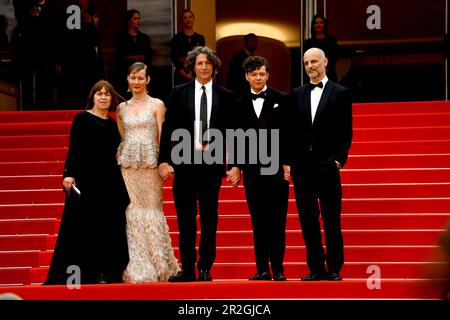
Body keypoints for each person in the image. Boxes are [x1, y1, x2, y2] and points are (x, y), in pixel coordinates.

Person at [158, 46, 240, 282]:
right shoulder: (178, 93)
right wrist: (164, 159)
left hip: (212, 166)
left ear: (214, 67)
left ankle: (205, 267)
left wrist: (235, 164)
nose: (203, 67)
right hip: (184, 163)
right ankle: (187, 269)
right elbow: (169, 128)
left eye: (208, 63)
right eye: (199, 63)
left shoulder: (226, 95)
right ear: (192, 67)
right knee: (185, 219)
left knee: (209, 218)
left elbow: (233, 132)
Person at [44, 80, 130, 285]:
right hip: (87, 180)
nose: (103, 97)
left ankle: (107, 272)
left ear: (111, 99)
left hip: (109, 181)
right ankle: (83, 273)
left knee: (109, 227)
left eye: (107, 94)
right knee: (85, 228)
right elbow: (75, 147)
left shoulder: (112, 123)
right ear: (92, 97)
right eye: (99, 94)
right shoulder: (82, 118)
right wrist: (69, 173)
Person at [286, 47, 352, 281]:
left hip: (327, 167)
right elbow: (291, 133)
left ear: (325, 61)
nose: (310, 66)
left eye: (314, 61)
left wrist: (337, 160)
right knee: (308, 220)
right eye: (306, 63)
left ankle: (334, 267)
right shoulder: (296, 94)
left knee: (331, 219)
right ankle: (315, 267)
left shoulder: (340, 93)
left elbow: (346, 132)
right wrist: (289, 164)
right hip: (303, 168)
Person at [117, 62, 180, 282]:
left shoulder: (157, 104)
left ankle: (161, 264)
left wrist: (165, 161)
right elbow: (122, 137)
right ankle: (138, 267)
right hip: (128, 166)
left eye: (140, 78)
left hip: (151, 164)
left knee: (152, 210)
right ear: (128, 80)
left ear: (148, 80)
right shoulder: (121, 108)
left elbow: (164, 134)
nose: (136, 82)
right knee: (131, 211)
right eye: (133, 78)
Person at [236, 56, 289, 281]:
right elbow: (235, 137)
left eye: (262, 73)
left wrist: (288, 162)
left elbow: (289, 134)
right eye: (254, 74)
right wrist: (236, 166)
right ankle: (262, 269)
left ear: (267, 75)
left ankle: (277, 269)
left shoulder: (282, 99)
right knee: (258, 220)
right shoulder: (238, 103)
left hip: (276, 168)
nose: (258, 77)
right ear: (247, 76)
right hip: (252, 170)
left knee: (278, 220)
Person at [59, 0, 104, 109]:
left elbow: (95, 39)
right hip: (76, 60)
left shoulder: (90, 12)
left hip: (90, 59)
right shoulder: (72, 11)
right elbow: (70, 38)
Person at [115, 9, 152, 97]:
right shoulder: (121, 38)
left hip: (142, 73)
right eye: (135, 18)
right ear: (129, 21)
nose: (138, 21)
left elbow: (149, 56)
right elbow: (119, 57)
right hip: (125, 74)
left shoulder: (144, 38)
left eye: (139, 18)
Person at [170, 10, 205, 86]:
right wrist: (184, 74)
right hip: (181, 76)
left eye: (190, 17)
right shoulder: (176, 38)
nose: (188, 20)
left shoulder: (200, 38)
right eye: (185, 18)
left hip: (197, 75)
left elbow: (202, 57)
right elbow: (174, 58)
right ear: (182, 21)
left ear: (193, 19)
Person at [303, 14, 340, 83]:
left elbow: (334, 56)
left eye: (321, 22)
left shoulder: (332, 41)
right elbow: (307, 59)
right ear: (313, 25)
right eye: (316, 23)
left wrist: (324, 67)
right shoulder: (308, 43)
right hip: (313, 73)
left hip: (329, 73)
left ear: (324, 25)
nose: (318, 25)